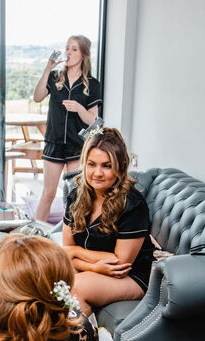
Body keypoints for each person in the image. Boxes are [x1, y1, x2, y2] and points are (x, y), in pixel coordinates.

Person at [62, 127, 155, 314]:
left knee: (74, 288)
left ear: (119, 167)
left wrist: (76, 252)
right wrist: (93, 265)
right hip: (97, 268)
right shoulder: (76, 196)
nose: (97, 173)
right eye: (91, 164)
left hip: (131, 276)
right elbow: (66, 252)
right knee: (43, 279)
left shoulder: (132, 204)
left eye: (106, 165)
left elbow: (119, 263)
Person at [32, 35, 102, 223]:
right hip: (54, 142)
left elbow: (93, 121)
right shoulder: (55, 77)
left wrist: (79, 108)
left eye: (74, 49)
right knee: (48, 193)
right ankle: (35, 238)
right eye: (67, 48)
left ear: (84, 55)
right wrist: (48, 68)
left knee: (74, 197)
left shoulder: (92, 85)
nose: (68, 53)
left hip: (77, 145)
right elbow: (37, 97)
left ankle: (70, 239)